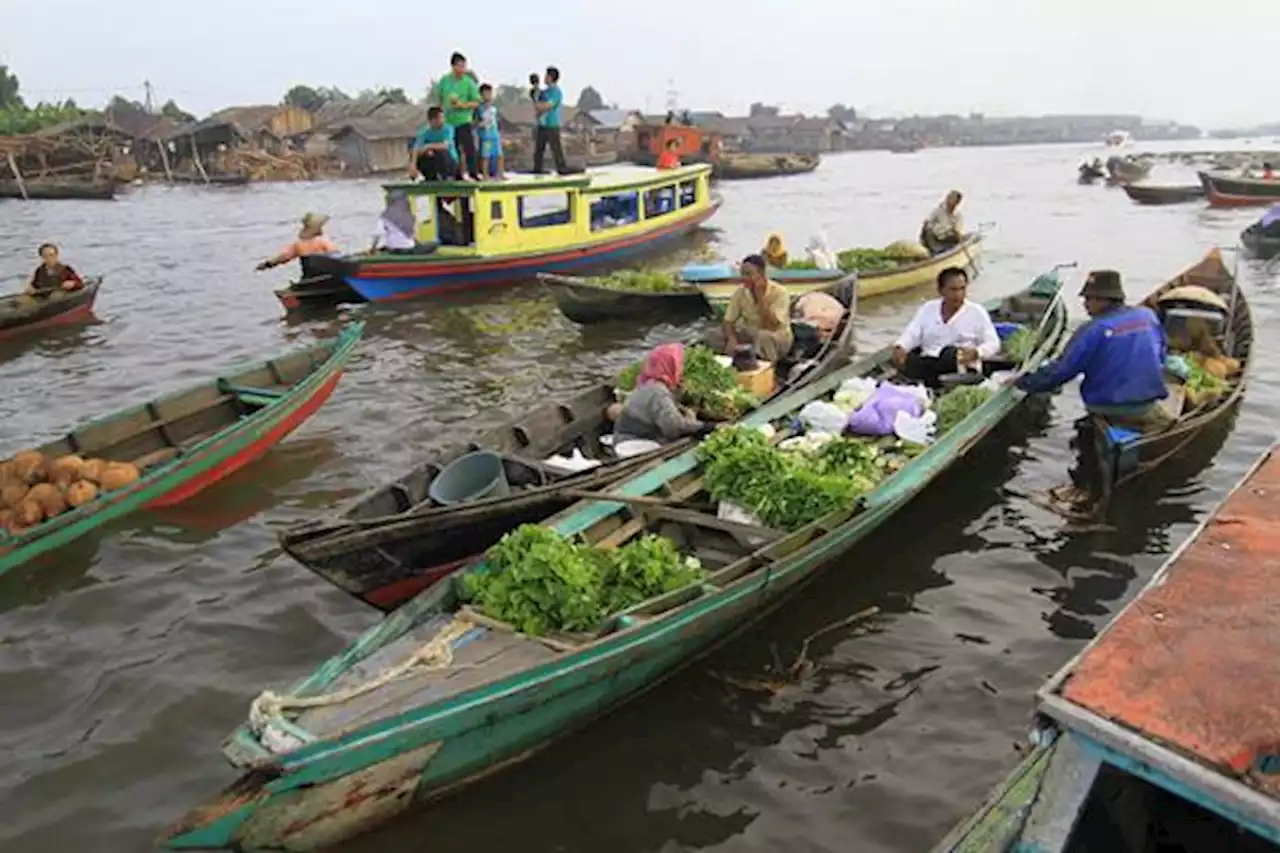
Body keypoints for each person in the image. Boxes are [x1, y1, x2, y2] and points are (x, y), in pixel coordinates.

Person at [1013, 270, 1171, 513]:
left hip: (1107, 406)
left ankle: (1084, 487)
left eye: (1089, 299)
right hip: (1148, 404)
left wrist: (1024, 382)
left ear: (1104, 300)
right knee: (1165, 423)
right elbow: (1161, 354)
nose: (1085, 304)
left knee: (1085, 434)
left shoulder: (1093, 329)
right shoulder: (1147, 316)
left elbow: (1062, 371)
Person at [891, 267, 999, 385]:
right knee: (910, 360)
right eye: (953, 290)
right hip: (929, 363)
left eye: (962, 289)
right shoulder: (928, 308)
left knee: (949, 353)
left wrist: (977, 352)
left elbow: (993, 344)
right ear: (941, 290)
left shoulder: (977, 312)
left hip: (960, 367)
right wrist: (900, 346)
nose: (958, 295)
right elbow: (912, 333)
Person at [613, 343, 714, 444]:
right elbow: (673, 429)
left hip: (624, 438)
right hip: (636, 443)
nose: (681, 368)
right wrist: (706, 426)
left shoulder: (646, 381)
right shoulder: (658, 392)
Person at [723, 254, 794, 363]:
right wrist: (732, 339)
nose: (744, 278)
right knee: (714, 335)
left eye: (748, 274)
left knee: (763, 336)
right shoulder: (740, 292)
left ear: (761, 274)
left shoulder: (780, 292)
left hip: (776, 338)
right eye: (742, 274)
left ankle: (768, 371)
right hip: (751, 335)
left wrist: (760, 297)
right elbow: (728, 320)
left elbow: (771, 325)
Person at [431, 52, 482, 180]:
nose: (462, 69)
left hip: (464, 120)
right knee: (453, 150)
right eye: (460, 66)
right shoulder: (444, 81)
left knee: (469, 148)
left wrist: (462, 105)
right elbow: (439, 99)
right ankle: (457, 173)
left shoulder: (468, 82)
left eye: (464, 66)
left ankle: (473, 173)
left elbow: (477, 102)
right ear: (453, 66)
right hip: (449, 122)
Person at [255, 213, 339, 271]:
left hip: (308, 276)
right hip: (325, 274)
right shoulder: (323, 241)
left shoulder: (298, 244)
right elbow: (336, 255)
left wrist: (267, 264)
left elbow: (283, 256)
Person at [533, 66, 569, 174]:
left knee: (556, 149)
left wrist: (541, 106)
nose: (544, 78)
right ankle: (537, 169)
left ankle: (562, 169)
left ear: (551, 77)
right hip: (542, 124)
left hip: (552, 124)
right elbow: (537, 106)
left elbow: (548, 105)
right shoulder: (544, 92)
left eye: (546, 76)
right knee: (539, 150)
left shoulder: (556, 92)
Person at [409, 107, 458, 182]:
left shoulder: (448, 129)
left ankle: (447, 177)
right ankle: (429, 177)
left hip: (449, 162)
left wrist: (428, 146)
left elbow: (445, 146)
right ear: (433, 120)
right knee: (418, 154)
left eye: (443, 117)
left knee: (441, 153)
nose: (443, 120)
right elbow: (416, 148)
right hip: (433, 162)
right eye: (440, 118)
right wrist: (413, 165)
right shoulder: (424, 131)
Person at [920, 190, 964, 254]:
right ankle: (934, 250)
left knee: (955, 238)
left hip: (948, 238)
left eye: (951, 198)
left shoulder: (958, 216)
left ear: (957, 202)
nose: (948, 200)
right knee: (927, 230)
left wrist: (955, 230)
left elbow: (959, 233)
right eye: (948, 197)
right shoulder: (938, 210)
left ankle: (944, 250)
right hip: (936, 237)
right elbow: (928, 221)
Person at [475, 83, 504, 180]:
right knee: (486, 156)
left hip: (495, 135)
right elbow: (475, 122)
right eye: (486, 93)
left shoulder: (493, 108)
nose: (488, 95)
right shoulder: (479, 108)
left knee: (499, 155)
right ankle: (485, 175)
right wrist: (481, 124)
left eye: (490, 93)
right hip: (486, 137)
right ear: (481, 95)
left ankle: (500, 174)